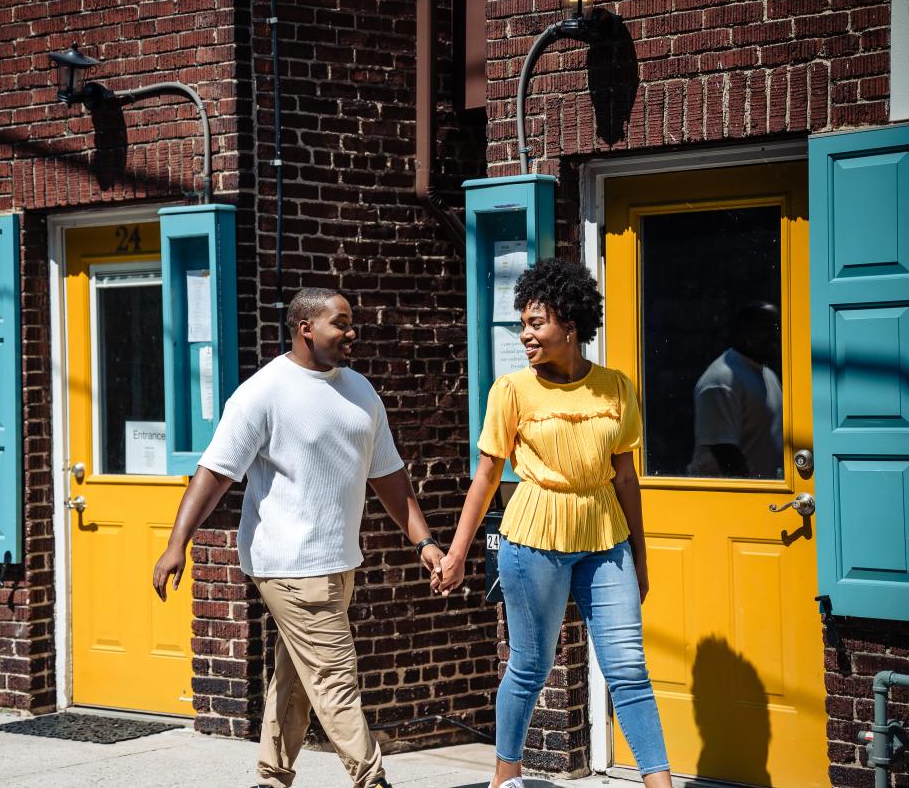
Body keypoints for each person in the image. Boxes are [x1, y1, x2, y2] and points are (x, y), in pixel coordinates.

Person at [152, 287, 444, 788]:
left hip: (338, 561)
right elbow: (216, 472)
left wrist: (424, 542)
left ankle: (272, 777)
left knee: (298, 678)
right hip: (287, 563)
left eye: (352, 323)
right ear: (305, 327)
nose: (352, 333)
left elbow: (390, 478)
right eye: (341, 323)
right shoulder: (263, 392)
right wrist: (178, 542)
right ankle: (371, 779)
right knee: (334, 676)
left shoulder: (360, 391)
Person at [435, 260, 673, 788]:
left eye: (536, 323)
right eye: (522, 323)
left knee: (628, 668)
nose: (525, 335)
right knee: (531, 666)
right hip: (532, 541)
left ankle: (660, 783)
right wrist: (455, 553)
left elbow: (626, 478)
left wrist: (640, 553)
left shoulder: (615, 387)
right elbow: (487, 476)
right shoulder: (512, 390)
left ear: (570, 323)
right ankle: (506, 776)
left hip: (605, 539)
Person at [687, 301, 783, 478]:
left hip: (769, 495)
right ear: (745, 332)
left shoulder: (767, 374)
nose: (776, 335)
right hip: (733, 498)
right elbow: (724, 451)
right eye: (767, 328)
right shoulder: (721, 379)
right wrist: (752, 492)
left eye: (778, 327)